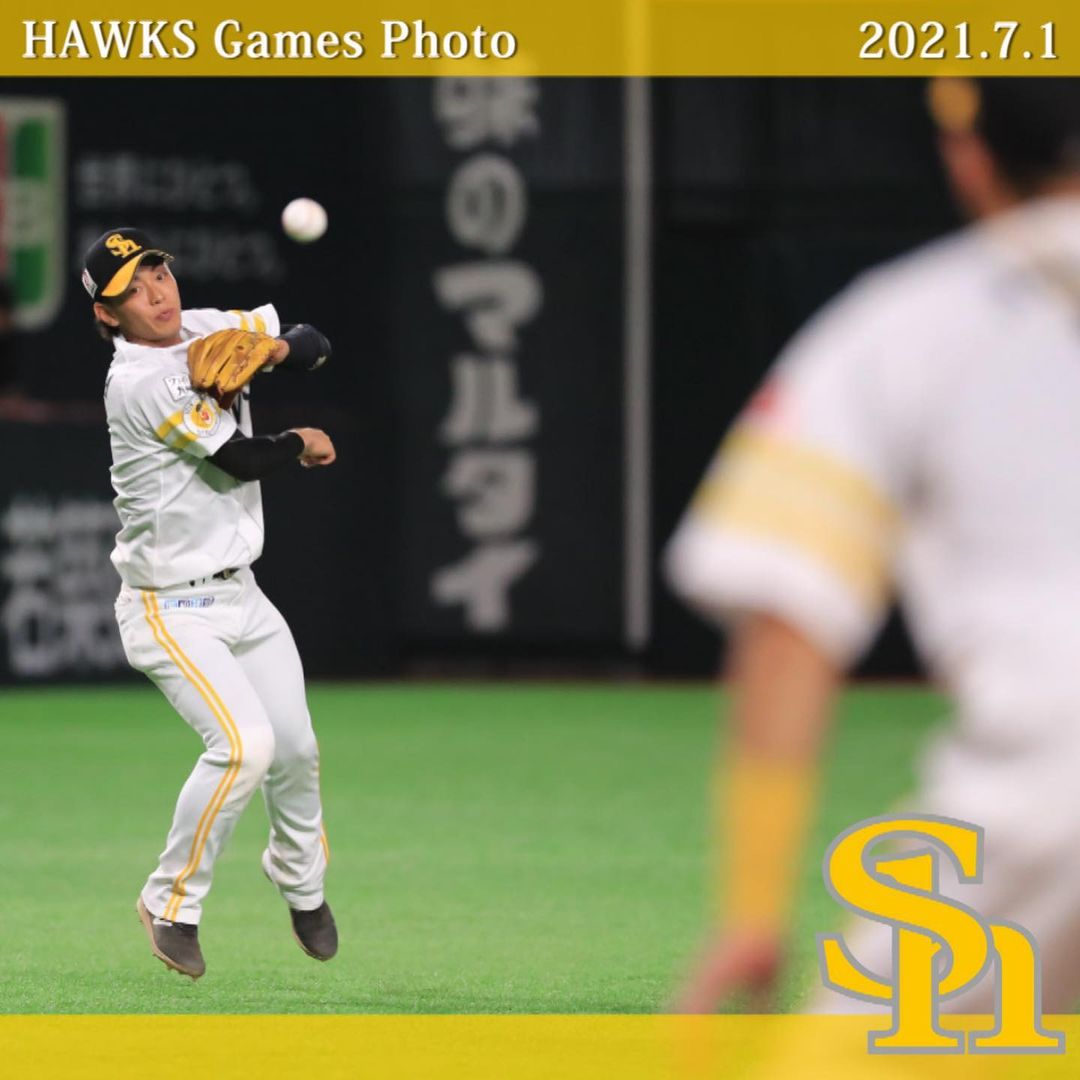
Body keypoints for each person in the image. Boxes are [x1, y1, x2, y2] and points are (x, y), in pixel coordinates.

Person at [664, 78, 1080, 1014]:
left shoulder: (910, 322)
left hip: (1050, 795)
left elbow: (788, 618)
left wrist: (752, 909)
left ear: (969, 156)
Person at [85, 226, 338, 980]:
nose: (156, 295)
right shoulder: (138, 380)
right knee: (244, 747)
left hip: (241, 594)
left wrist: (277, 349)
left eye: (157, 274)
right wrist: (300, 440)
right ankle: (170, 904)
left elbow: (315, 341)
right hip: (170, 607)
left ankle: (301, 882)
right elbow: (239, 459)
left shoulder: (199, 326)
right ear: (108, 315)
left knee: (296, 749)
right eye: (132, 292)